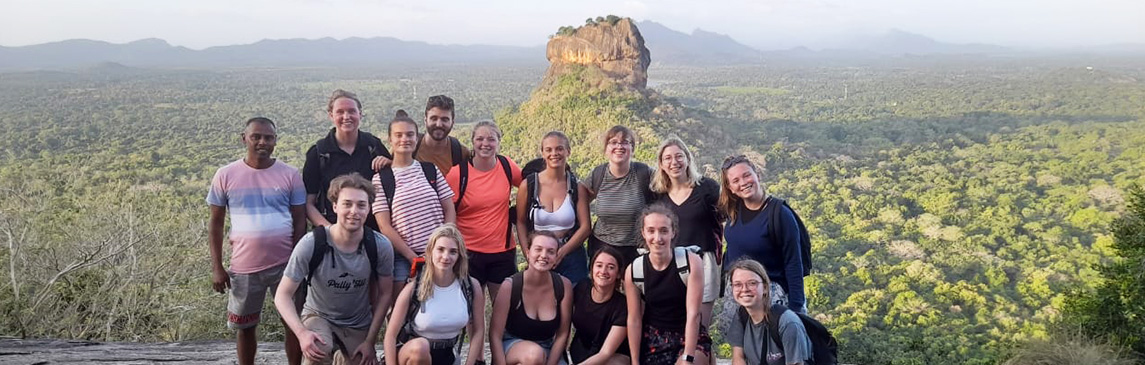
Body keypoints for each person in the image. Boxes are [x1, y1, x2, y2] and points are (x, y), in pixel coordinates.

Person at [207, 117, 308, 365]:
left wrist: (298, 263)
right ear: (244, 138)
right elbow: (216, 223)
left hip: (285, 265)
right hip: (243, 266)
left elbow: (299, 221)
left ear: (275, 141)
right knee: (245, 326)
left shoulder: (290, 174)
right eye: (256, 137)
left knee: (293, 323)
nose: (262, 142)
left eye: (268, 137)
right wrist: (217, 267)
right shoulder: (226, 175)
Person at [275, 174, 396, 365]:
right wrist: (302, 333)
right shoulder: (312, 243)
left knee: (361, 359)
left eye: (361, 205)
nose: (354, 211)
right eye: (347, 204)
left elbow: (385, 294)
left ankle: (343, 356)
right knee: (318, 350)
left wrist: (370, 341)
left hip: (357, 322)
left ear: (369, 209)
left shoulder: (379, 246)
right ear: (335, 206)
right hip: (319, 315)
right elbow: (282, 295)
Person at [373, 110, 457, 300]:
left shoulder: (429, 170)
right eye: (399, 135)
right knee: (403, 311)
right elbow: (384, 226)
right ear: (390, 140)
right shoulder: (381, 180)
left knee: (441, 305)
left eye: (410, 134)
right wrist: (413, 257)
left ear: (417, 138)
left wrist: (446, 241)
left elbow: (449, 208)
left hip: (440, 255)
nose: (405, 139)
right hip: (405, 259)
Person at [649, 137, 724, 329]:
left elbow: (728, 216)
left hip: (704, 261)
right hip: (672, 264)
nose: (674, 162)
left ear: (688, 159)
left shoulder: (707, 188)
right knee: (679, 327)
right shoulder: (658, 195)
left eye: (679, 156)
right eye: (668, 158)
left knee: (700, 329)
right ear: (661, 164)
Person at [384, 224, 486, 365]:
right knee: (421, 347)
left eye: (453, 252)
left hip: (447, 355)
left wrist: (470, 362)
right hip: (414, 354)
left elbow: (479, 330)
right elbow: (390, 335)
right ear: (430, 251)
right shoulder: (414, 287)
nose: (446, 257)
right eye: (440, 250)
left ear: (459, 255)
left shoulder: (470, 286)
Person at [445, 120, 523, 301]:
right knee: (471, 310)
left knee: (506, 306)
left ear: (498, 142)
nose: (485, 144)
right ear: (472, 141)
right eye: (480, 139)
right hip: (467, 251)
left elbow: (529, 186)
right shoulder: (458, 174)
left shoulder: (506, 166)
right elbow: (446, 210)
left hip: (502, 251)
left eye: (491, 139)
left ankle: (500, 332)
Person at [719, 155, 807, 313]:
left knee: (768, 338)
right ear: (730, 188)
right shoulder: (733, 210)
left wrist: (797, 308)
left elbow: (794, 263)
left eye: (747, 175)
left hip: (769, 298)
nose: (743, 183)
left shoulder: (780, 214)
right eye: (736, 180)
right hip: (737, 296)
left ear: (757, 175)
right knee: (739, 339)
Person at [624, 204, 710, 365]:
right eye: (651, 231)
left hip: (690, 336)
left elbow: (694, 314)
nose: (658, 238)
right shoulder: (634, 270)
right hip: (654, 339)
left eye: (664, 230)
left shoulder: (690, 262)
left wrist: (688, 358)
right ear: (643, 233)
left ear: (673, 232)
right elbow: (634, 319)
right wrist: (635, 362)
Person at [303, 89, 392, 230]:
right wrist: (330, 231)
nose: (346, 116)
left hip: (373, 231)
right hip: (333, 231)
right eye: (340, 112)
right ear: (331, 115)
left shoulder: (372, 145)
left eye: (352, 111)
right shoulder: (319, 153)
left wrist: (390, 164)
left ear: (360, 114)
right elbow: (309, 203)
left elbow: (396, 181)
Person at [515, 131, 591, 284]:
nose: (554, 153)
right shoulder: (529, 185)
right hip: (540, 255)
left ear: (568, 151)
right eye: (549, 150)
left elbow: (585, 227)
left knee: (574, 303)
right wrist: (528, 253)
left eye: (559, 149)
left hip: (572, 256)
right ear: (542, 153)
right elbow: (521, 222)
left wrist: (562, 252)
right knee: (542, 303)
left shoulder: (577, 187)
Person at [490, 232, 573, 365]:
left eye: (551, 252)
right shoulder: (510, 286)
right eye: (538, 249)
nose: (544, 255)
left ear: (556, 257)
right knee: (534, 355)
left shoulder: (564, 286)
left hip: (548, 347)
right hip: (512, 346)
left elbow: (563, 334)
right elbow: (495, 335)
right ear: (528, 253)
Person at [583, 126, 652, 268]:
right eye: (613, 142)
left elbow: (670, 186)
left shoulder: (645, 173)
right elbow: (580, 203)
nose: (619, 146)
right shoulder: (597, 175)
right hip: (602, 247)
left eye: (625, 142)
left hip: (636, 249)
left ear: (632, 148)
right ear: (606, 149)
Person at [726, 259, 813, 365]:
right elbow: (738, 358)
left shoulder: (787, 323)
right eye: (738, 284)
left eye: (752, 283)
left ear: (765, 288)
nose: (744, 289)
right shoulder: (741, 316)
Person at [568, 246, 629, 365]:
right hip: (581, 350)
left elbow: (606, 353)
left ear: (618, 274)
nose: (603, 271)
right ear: (591, 269)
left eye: (611, 267)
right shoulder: (581, 288)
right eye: (599, 265)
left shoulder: (622, 306)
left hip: (611, 356)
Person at [415, 95, 472, 175]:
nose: (439, 124)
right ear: (425, 120)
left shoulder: (461, 153)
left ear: (452, 122)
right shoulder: (410, 148)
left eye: (444, 120)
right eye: (434, 118)